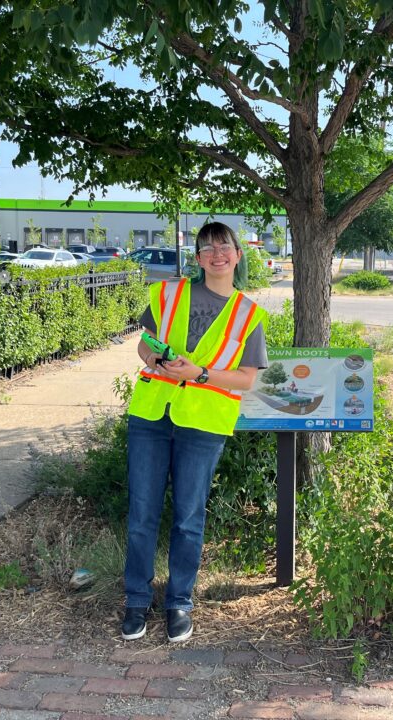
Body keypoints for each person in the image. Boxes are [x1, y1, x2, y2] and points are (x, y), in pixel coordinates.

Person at [122, 222, 268, 643]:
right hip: (152, 414)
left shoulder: (249, 314)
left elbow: (246, 379)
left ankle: (179, 602)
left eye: (225, 246)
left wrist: (200, 373)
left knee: (188, 518)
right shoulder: (170, 294)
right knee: (142, 514)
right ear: (198, 258)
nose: (217, 253)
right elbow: (144, 343)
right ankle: (136, 599)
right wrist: (152, 358)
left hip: (203, 422)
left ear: (239, 255)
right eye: (208, 247)